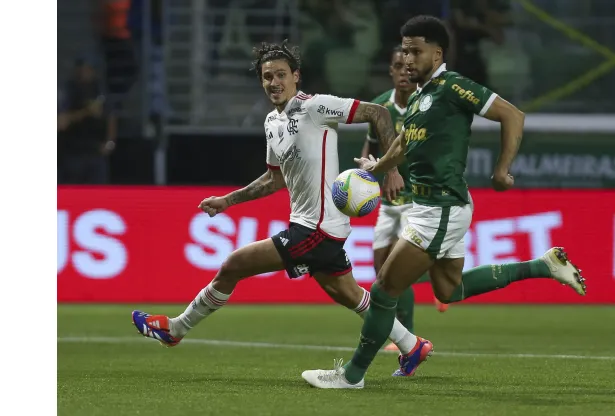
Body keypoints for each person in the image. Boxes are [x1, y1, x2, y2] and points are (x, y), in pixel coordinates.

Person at [301, 15, 587, 389]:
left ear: (437, 53)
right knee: (449, 290)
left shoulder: (453, 87)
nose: (406, 59)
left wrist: (502, 170)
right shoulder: (422, 96)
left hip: (439, 207)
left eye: (415, 51)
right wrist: (377, 168)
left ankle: (352, 375)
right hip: (437, 206)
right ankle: (542, 265)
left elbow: (511, 115)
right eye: (404, 50)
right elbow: (405, 142)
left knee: (386, 287)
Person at [131, 40, 431, 377]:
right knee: (350, 296)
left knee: (233, 265)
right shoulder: (272, 123)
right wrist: (227, 201)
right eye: (266, 76)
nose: (274, 82)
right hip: (316, 228)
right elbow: (274, 180)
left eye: (281, 75)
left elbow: (378, 112)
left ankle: (176, 329)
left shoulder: (317, 107)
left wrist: (391, 168)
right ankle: (412, 345)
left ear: (296, 76)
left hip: (315, 228)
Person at [361, 46, 448, 355]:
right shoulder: (380, 107)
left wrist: (395, 170)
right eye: (397, 66)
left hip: (419, 198)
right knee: (380, 268)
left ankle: (406, 339)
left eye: (406, 67)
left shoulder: (425, 105)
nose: (402, 72)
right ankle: (435, 275)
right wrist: (366, 170)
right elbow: (370, 147)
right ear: (391, 70)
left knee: (397, 270)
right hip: (389, 201)